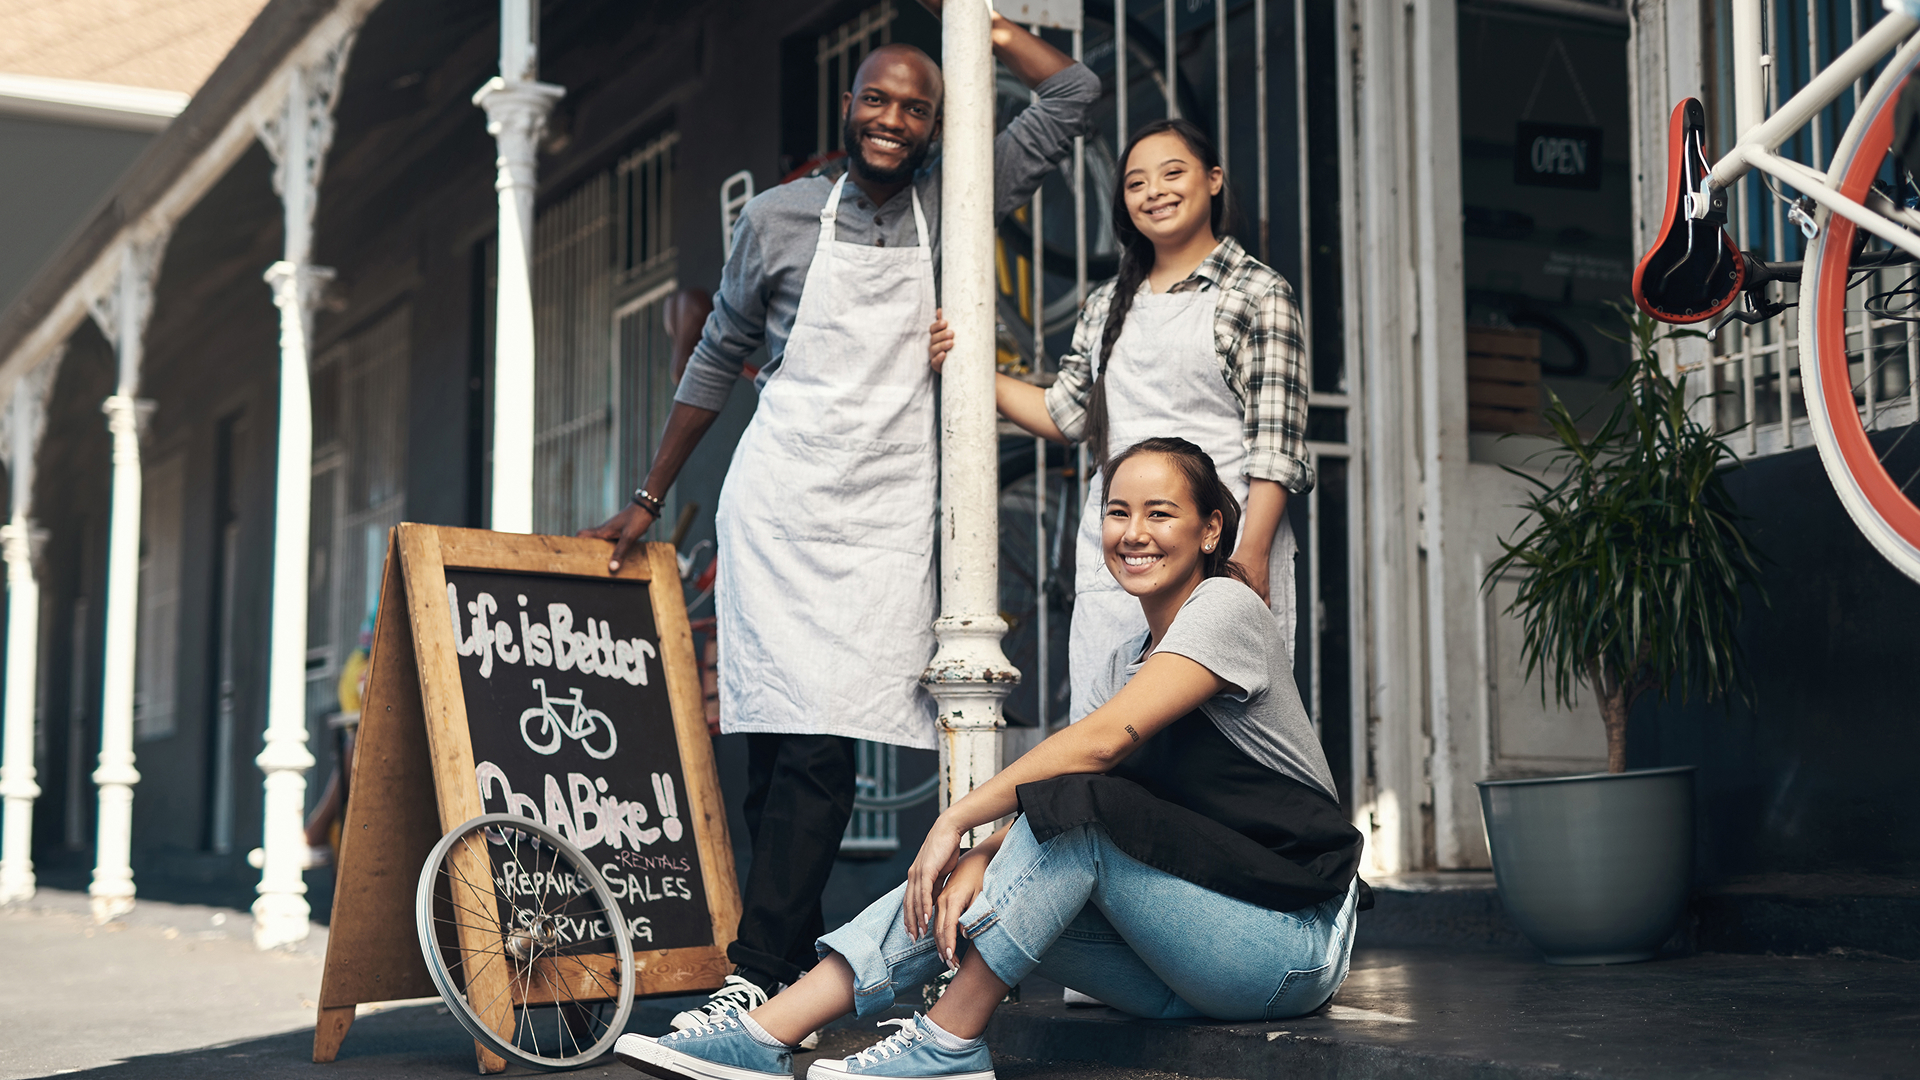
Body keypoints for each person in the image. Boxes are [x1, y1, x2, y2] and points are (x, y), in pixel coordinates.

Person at [579, 1, 1100, 1032]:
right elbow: (719, 352)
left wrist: (986, 31)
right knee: (778, 741)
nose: (895, 119)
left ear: (936, 118)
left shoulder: (960, 200)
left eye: (918, 105)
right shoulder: (776, 217)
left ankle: (760, 966)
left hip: (881, 516)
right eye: (879, 99)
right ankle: (772, 962)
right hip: (782, 503)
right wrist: (649, 496)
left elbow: (1074, 94)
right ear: (849, 103)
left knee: (821, 742)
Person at [613, 436, 1363, 1080]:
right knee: (979, 870)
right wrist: (981, 855)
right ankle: (765, 1036)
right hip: (1186, 957)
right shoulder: (1138, 658)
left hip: (1285, 946)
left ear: (1210, 530)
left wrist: (961, 819)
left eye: (1160, 513)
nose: (1134, 533)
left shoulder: (1227, 611)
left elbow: (1098, 755)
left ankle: (947, 1041)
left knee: (1067, 826)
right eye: (1117, 512)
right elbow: (1090, 791)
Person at [929, 118, 1312, 722]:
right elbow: (1066, 414)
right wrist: (968, 364)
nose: (1154, 191)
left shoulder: (1258, 292)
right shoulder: (1108, 302)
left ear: (1213, 181)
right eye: (1136, 182)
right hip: (1118, 548)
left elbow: (1277, 445)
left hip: (1220, 543)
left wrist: (1250, 556)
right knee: (1107, 724)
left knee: (1216, 732)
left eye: (1172, 173)